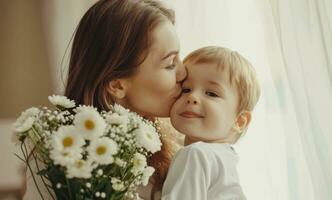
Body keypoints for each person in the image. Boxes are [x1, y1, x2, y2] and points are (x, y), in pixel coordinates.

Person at [23, 0, 186, 199]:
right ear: (117, 85)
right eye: (170, 64)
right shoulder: (60, 157)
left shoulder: (179, 141)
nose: (184, 72)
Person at [161, 46, 261, 200]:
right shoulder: (224, 158)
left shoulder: (195, 154)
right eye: (186, 89)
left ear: (239, 121)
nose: (192, 97)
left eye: (211, 93)